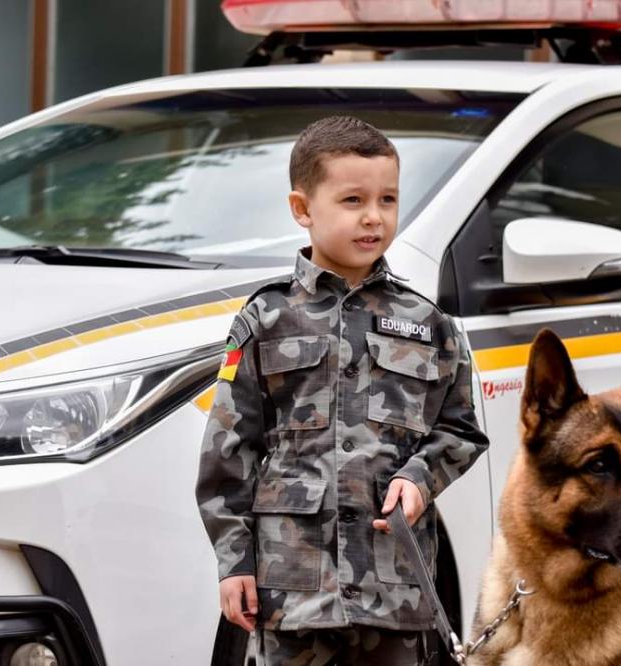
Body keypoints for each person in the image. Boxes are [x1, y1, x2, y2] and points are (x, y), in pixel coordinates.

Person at [195, 115, 490, 665]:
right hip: (294, 591)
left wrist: (419, 477)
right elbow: (229, 453)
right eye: (352, 200)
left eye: (388, 200)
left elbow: (460, 428)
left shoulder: (429, 324)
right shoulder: (266, 319)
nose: (373, 217)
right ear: (303, 209)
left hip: (394, 588)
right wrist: (234, 563)